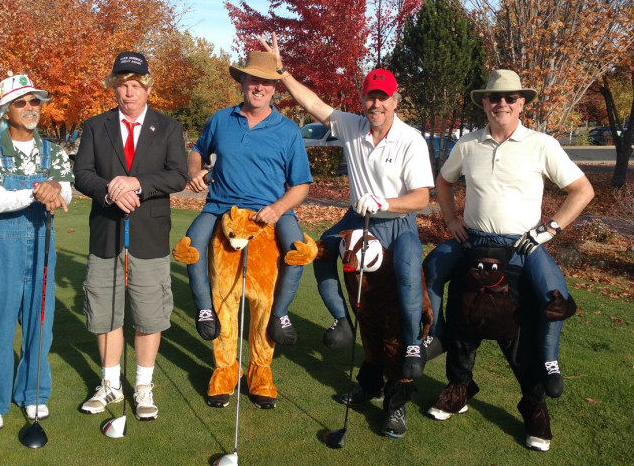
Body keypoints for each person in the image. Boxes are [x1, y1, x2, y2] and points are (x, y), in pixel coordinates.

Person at [423, 69, 594, 450]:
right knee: (463, 314)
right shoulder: (467, 144)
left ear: (522, 103)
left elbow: (582, 190)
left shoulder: (542, 144)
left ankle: (535, 406)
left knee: (520, 325)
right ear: (484, 102)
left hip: (520, 247)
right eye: (494, 97)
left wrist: (550, 229)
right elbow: (444, 181)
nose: (502, 103)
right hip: (473, 243)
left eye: (510, 98)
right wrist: (450, 219)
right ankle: (457, 384)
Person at [260, 35, 434, 382]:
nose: (376, 104)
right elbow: (314, 105)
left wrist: (386, 202)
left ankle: (413, 343)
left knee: (407, 268)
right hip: (357, 218)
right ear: (363, 100)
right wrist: (281, 72)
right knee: (320, 251)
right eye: (370, 97)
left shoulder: (411, 138)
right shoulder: (353, 126)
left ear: (395, 100)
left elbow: (422, 198)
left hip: (398, 221)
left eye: (383, 98)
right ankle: (341, 319)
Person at [74, 51, 188, 421]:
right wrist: (111, 190)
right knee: (106, 313)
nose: (129, 92)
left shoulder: (169, 127)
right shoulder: (95, 126)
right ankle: (109, 386)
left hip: (149, 234)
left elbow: (177, 176)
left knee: (149, 314)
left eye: (136, 84)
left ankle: (142, 386)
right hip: (106, 231)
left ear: (148, 87)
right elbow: (82, 174)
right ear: (114, 88)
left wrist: (136, 183)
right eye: (123, 84)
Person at [182, 50, 312, 347]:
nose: (259, 87)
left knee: (298, 251)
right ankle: (204, 309)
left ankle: (280, 313)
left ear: (274, 88)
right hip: (221, 205)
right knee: (191, 246)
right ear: (242, 82)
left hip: (271, 208)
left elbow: (301, 186)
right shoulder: (221, 119)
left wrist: (278, 209)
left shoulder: (288, 130)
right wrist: (194, 170)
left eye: (266, 82)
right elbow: (197, 150)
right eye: (254, 80)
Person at [0, 73, 73, 432]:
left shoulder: (54, 152)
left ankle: (33, 393)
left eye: (35, 102)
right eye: (21, 102)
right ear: (5, 111)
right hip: (1, 245)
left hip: (43, 243)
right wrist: (38, 191)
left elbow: (66, 194)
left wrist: (52, 189)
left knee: (39, 324)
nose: (31, 108)